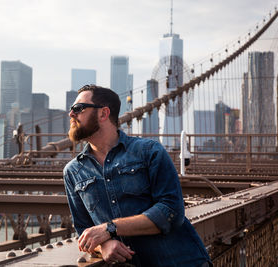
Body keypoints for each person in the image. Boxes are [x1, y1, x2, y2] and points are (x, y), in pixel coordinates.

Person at [63, 85, 212, 266]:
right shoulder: (73, 172)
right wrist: (103, 245)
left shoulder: (149, 152)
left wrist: (109, 229)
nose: (71, 114)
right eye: (71, 109)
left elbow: (171, 211)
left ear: (103, 114)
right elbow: (84, 232)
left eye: (78, 108)